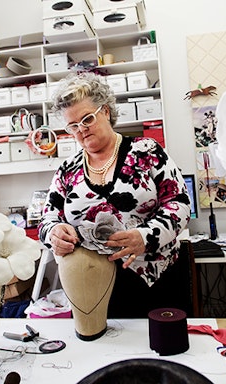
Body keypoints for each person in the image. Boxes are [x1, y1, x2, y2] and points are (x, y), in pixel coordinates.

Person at [38, 72, 192, 318]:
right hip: (92, 288)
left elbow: (179, 203)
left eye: (87, 119)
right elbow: (47, 219)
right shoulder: (67, 169)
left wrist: (145, 236)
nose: (81, 130)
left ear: (106, 111)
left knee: (163, 351)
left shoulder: (146, 151)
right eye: (73, 126)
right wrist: (53, 233)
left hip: (155, 279)